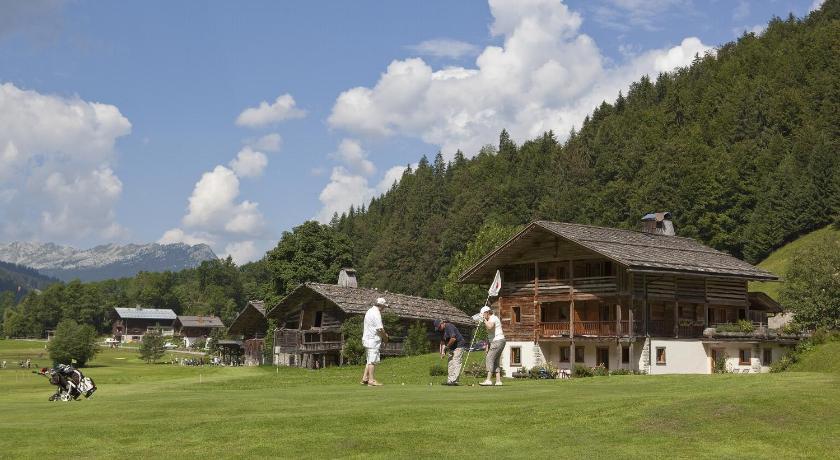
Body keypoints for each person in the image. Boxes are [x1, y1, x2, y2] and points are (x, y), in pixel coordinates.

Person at [361, 297, 389, 386]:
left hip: (367, 339)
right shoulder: (376, 313)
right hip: (373, 340)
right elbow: (380, 329)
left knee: (369, 359)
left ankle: (365, 378)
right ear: (381, 306)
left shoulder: (369, 311)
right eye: (384, 307)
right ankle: (371, 380)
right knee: (372, 361)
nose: (384, 309)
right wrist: (385, 338)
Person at [434, 319, 467, 386]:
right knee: (450, 363)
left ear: (442, 323)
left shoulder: (449, 326)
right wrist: (442, 352)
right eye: (438, 328)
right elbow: (442, 342)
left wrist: (446, 348)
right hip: (451, 347)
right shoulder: (441, 331)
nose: (439, 329)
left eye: (439, 327)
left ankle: (454, 380)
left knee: (456, 362)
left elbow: (453, 338)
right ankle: (450, 380)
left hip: (459, 345)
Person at [479, 305, 506, 386]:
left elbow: (490, 327)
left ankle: (488, 380)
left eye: (483, 314)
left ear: (487, 313)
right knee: (495, 361)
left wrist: (484, 320)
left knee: (489, 358)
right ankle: (498, 381)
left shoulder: (493, 318)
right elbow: (490, 335)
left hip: (498, 341)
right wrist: (487, 346)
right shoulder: (489, 319)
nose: (483, 316)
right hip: (499, 341)